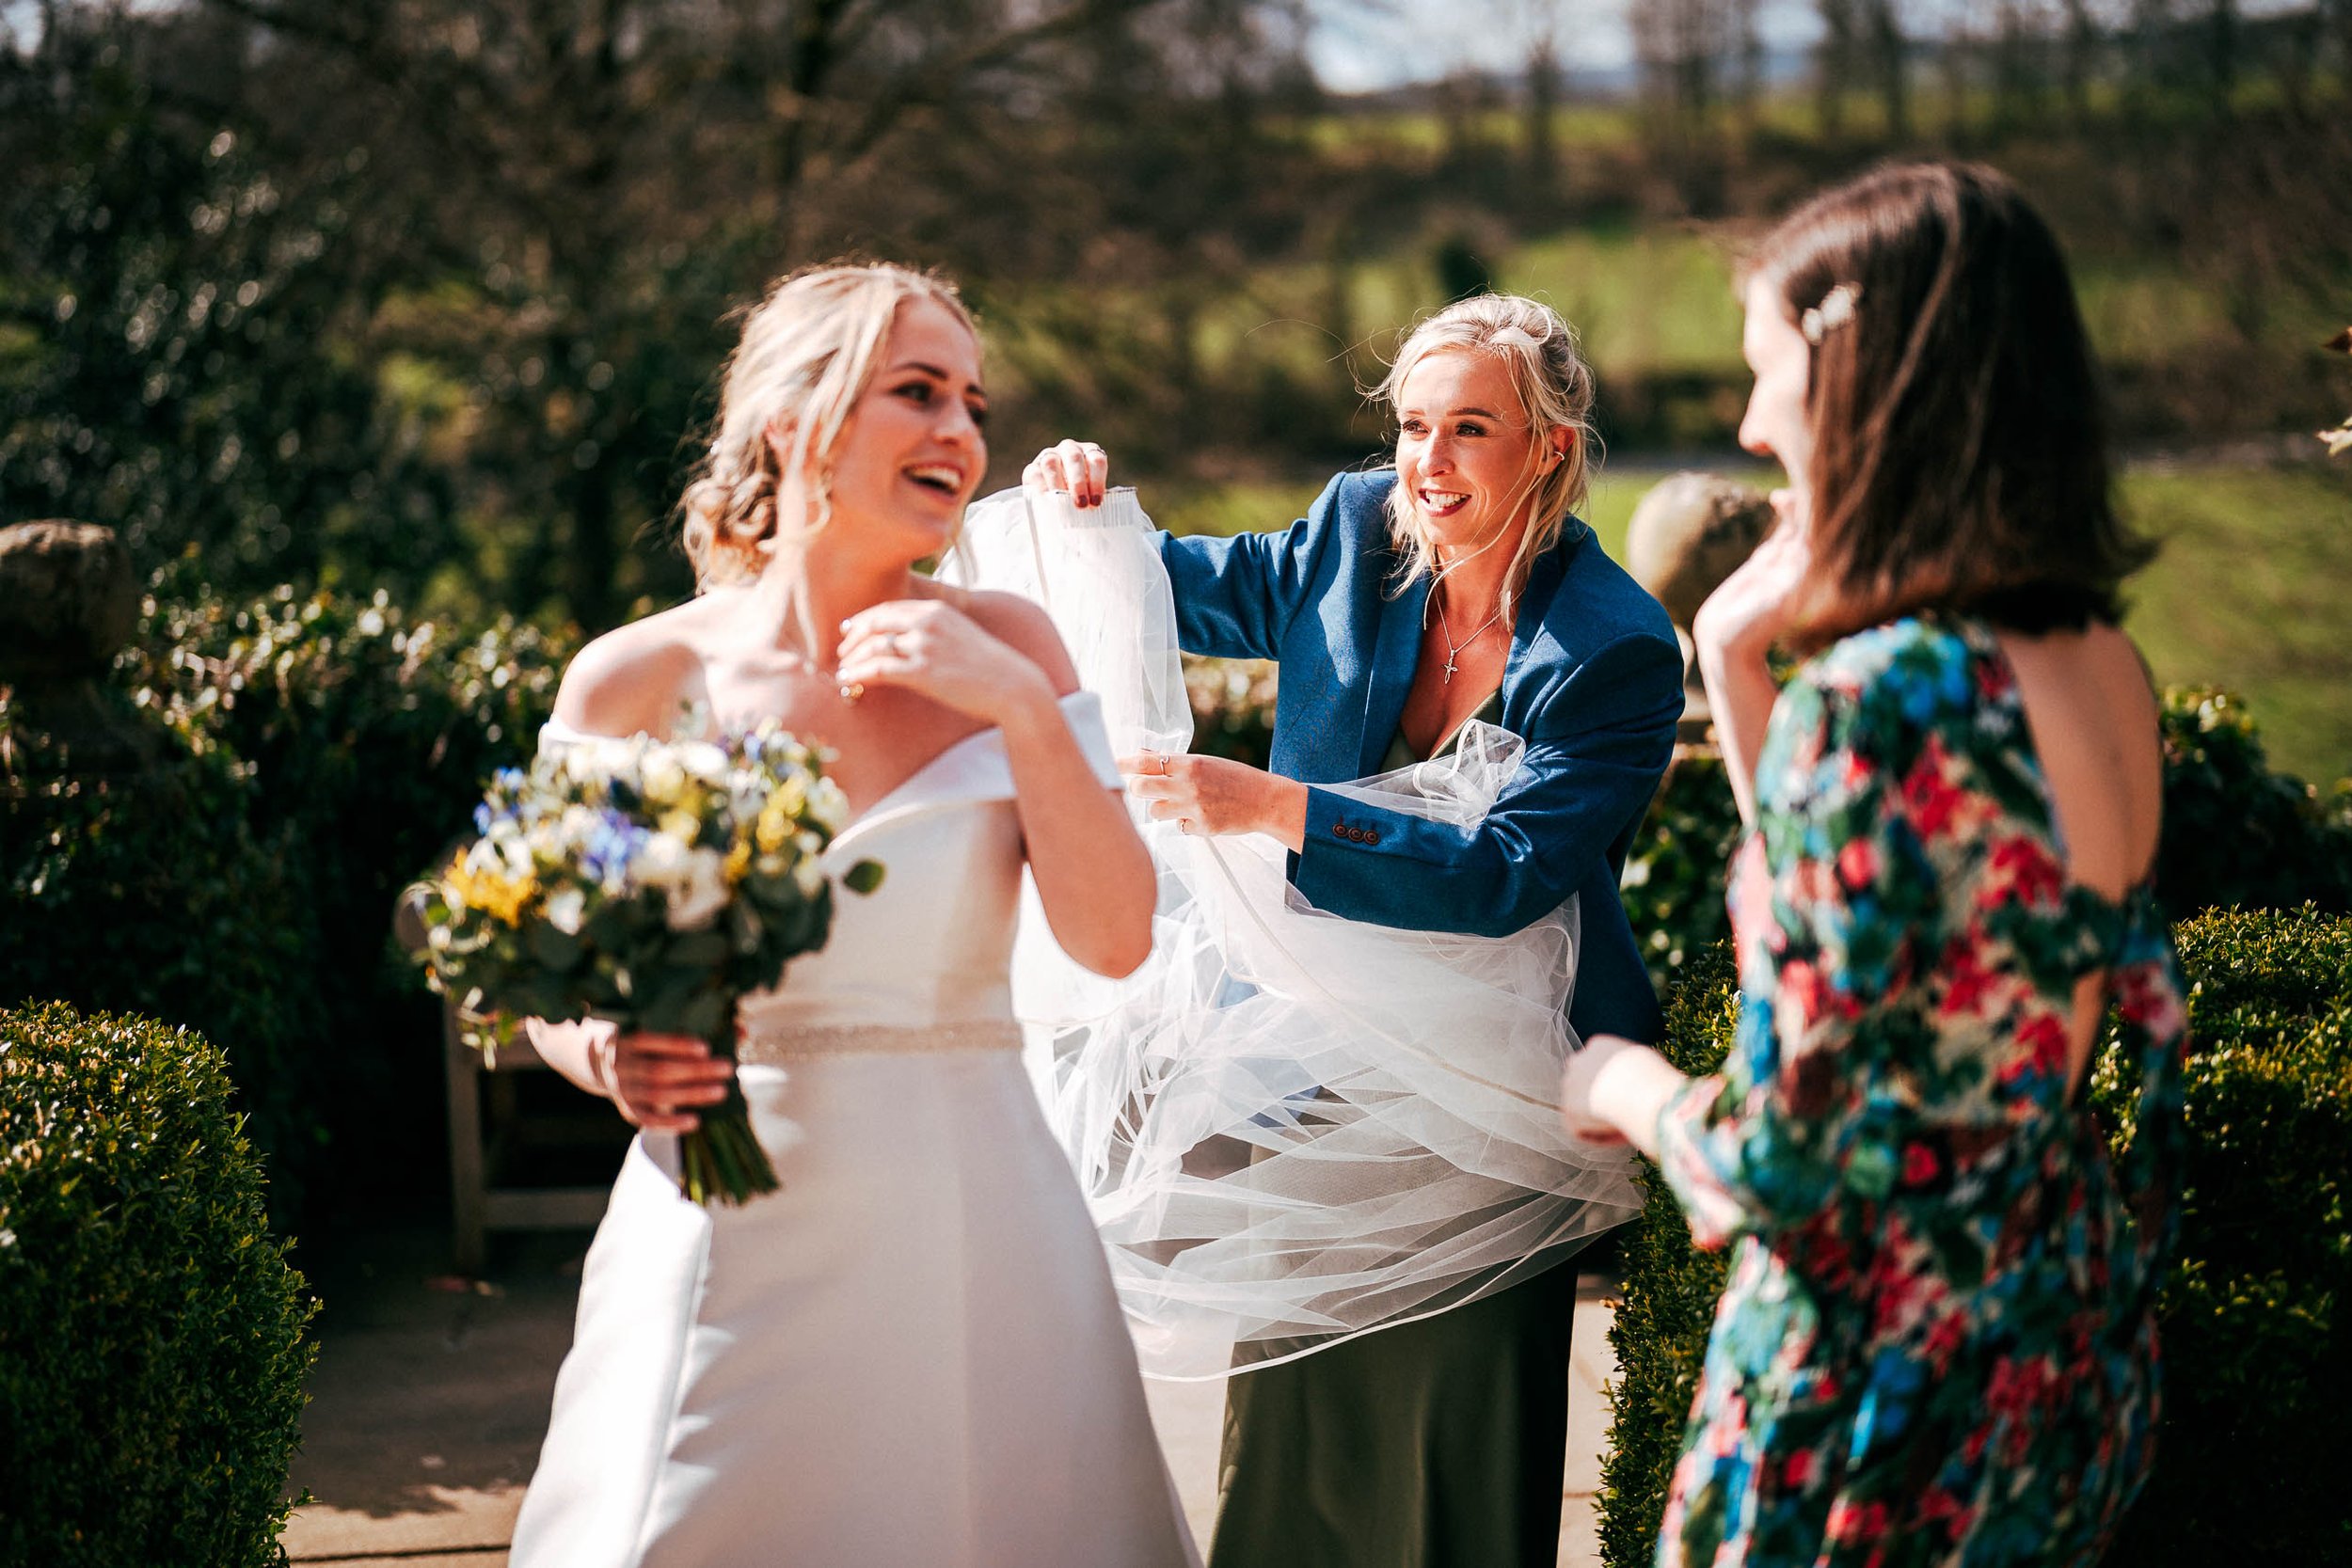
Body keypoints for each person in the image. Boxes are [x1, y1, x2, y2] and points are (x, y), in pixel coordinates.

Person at [508, 263, 1198, 1568]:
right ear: (795, 420)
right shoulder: (638, 680)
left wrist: (1018, 707)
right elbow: (548, 970)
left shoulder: (1018, 649)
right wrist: (605, 1053)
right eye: (918, 393)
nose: (959, 433)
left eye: (972, 403)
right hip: (715, 1219)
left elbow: (1115, 938)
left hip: (973, 1220)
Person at [1559, 161, 2186, 1567]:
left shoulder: (1887, 701)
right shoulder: (2100, 668)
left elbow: (1785, 1158)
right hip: (2054, 1352)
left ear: (1863, 385)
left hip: (1879, 1400)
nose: (1749, 421)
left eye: (1768, 371)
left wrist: (1621, 1083)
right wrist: (1729, 657)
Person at [1028, 293, 1685, 1568]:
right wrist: (1087, 512)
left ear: (1549, 447)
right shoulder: (1348, 535)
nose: (1426, 465)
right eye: (1412, 428)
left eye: (1469, 431)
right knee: (1294, 1423)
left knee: (1454, 1440)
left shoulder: (1616, 651)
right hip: (1316, 1074)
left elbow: (1506, 874)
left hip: (1495, 1103)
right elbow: (1164, 590)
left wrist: (1271, 807)